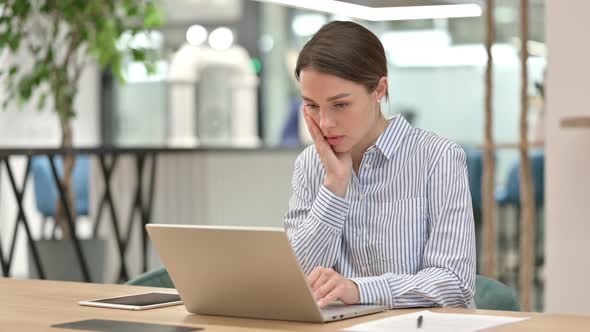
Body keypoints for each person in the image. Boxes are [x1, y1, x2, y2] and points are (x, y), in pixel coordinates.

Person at [283, 21, 476, 309]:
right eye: (312, 105)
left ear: (379, 90)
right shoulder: (311, 165)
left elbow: (454, 283)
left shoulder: (438, 158)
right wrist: (334, 186)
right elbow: (295, 280)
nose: (325, 123)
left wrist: (358, 290)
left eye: (340, 105)